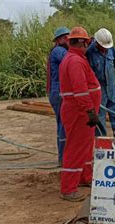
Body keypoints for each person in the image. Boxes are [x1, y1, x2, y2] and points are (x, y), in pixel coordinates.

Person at [58, 27, 101, 201]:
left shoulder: (74, 59)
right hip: (79, 111)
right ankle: (68, 189)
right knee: (76, 148)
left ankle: (85, 177)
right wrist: (89, 110)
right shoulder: (75, 61)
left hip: (79, 110)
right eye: (87, 43)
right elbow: (81, 90)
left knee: (84, 146)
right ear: (83, 42)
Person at [86, 28, 115, 137]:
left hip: (112, 88)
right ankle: (101, 143)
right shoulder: (89, 52)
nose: (105, 49)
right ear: (97, 42)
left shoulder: (111, 49)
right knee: (100, 117)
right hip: (98, 90)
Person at [47, 26, 70, 166]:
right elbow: (71, 62)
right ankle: (63, 159)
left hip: (59, 91)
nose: (68, 40)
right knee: (63, 123)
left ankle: (64, 157)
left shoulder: (61, 51)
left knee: (64, 123)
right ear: (59, 40)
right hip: (59, 91)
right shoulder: (59, 51)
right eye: (66, 37)